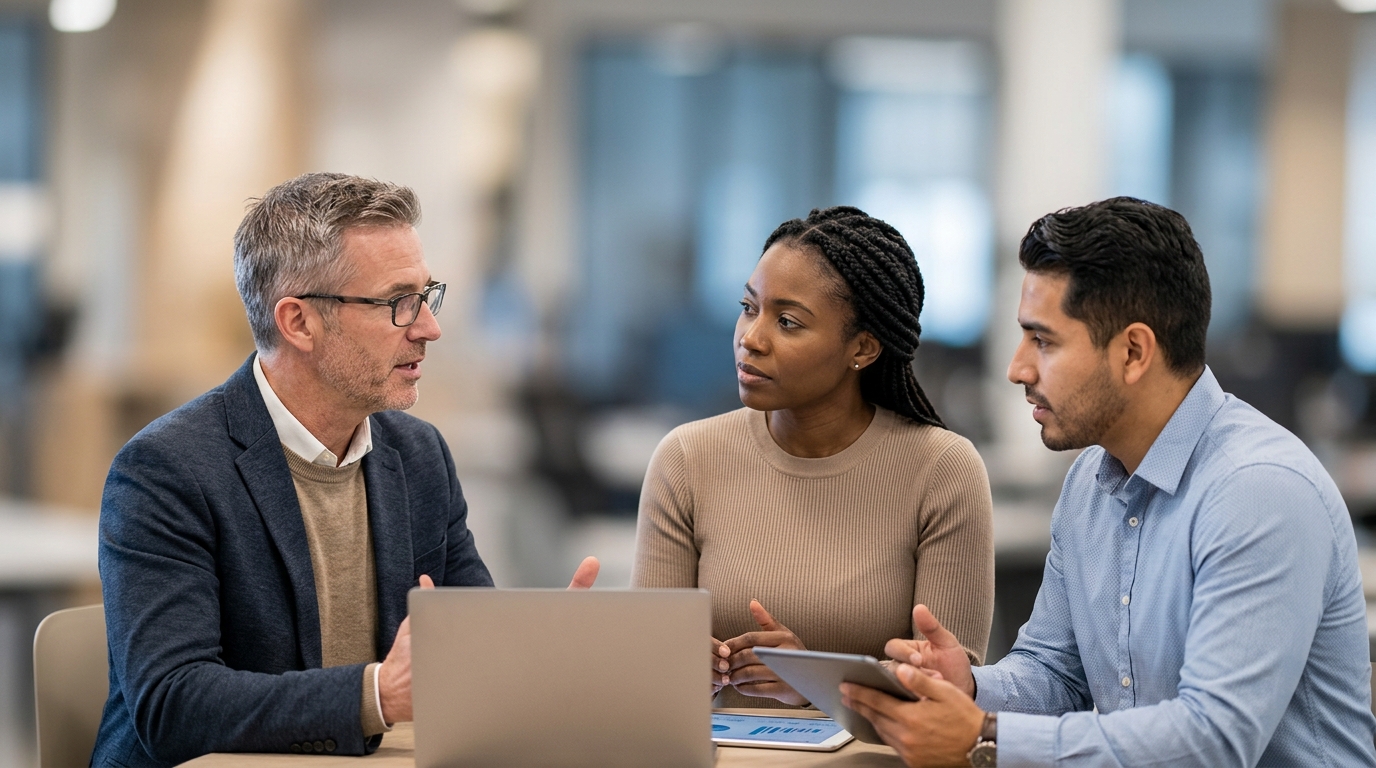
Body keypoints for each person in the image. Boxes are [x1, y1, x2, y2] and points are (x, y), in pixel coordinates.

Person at [841, 197, 1376, 767]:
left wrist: (985, 737)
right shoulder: (1090, 484)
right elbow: (1054, 673)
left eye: (1042, 341)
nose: (1017, 368)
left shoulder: (1259, 490)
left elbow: (1214, 742)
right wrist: (971, 689)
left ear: (1133, 352)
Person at [92, 173, 598, 767]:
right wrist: (378, 694)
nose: (429, 327)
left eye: (426, 295)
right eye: (396, 303)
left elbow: (465, 641)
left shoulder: (417, 455)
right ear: (299, 322)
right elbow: (172, 707)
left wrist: (540, 653)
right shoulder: (167, 470)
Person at [632, 206, 994, 709]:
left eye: (787, 321)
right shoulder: (686, 458)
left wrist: (817, 680)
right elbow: (645, 676)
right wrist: (672, 665)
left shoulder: (941, 470)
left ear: (863, 348)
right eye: (748, 307)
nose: (750, 339)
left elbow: (948, 685)